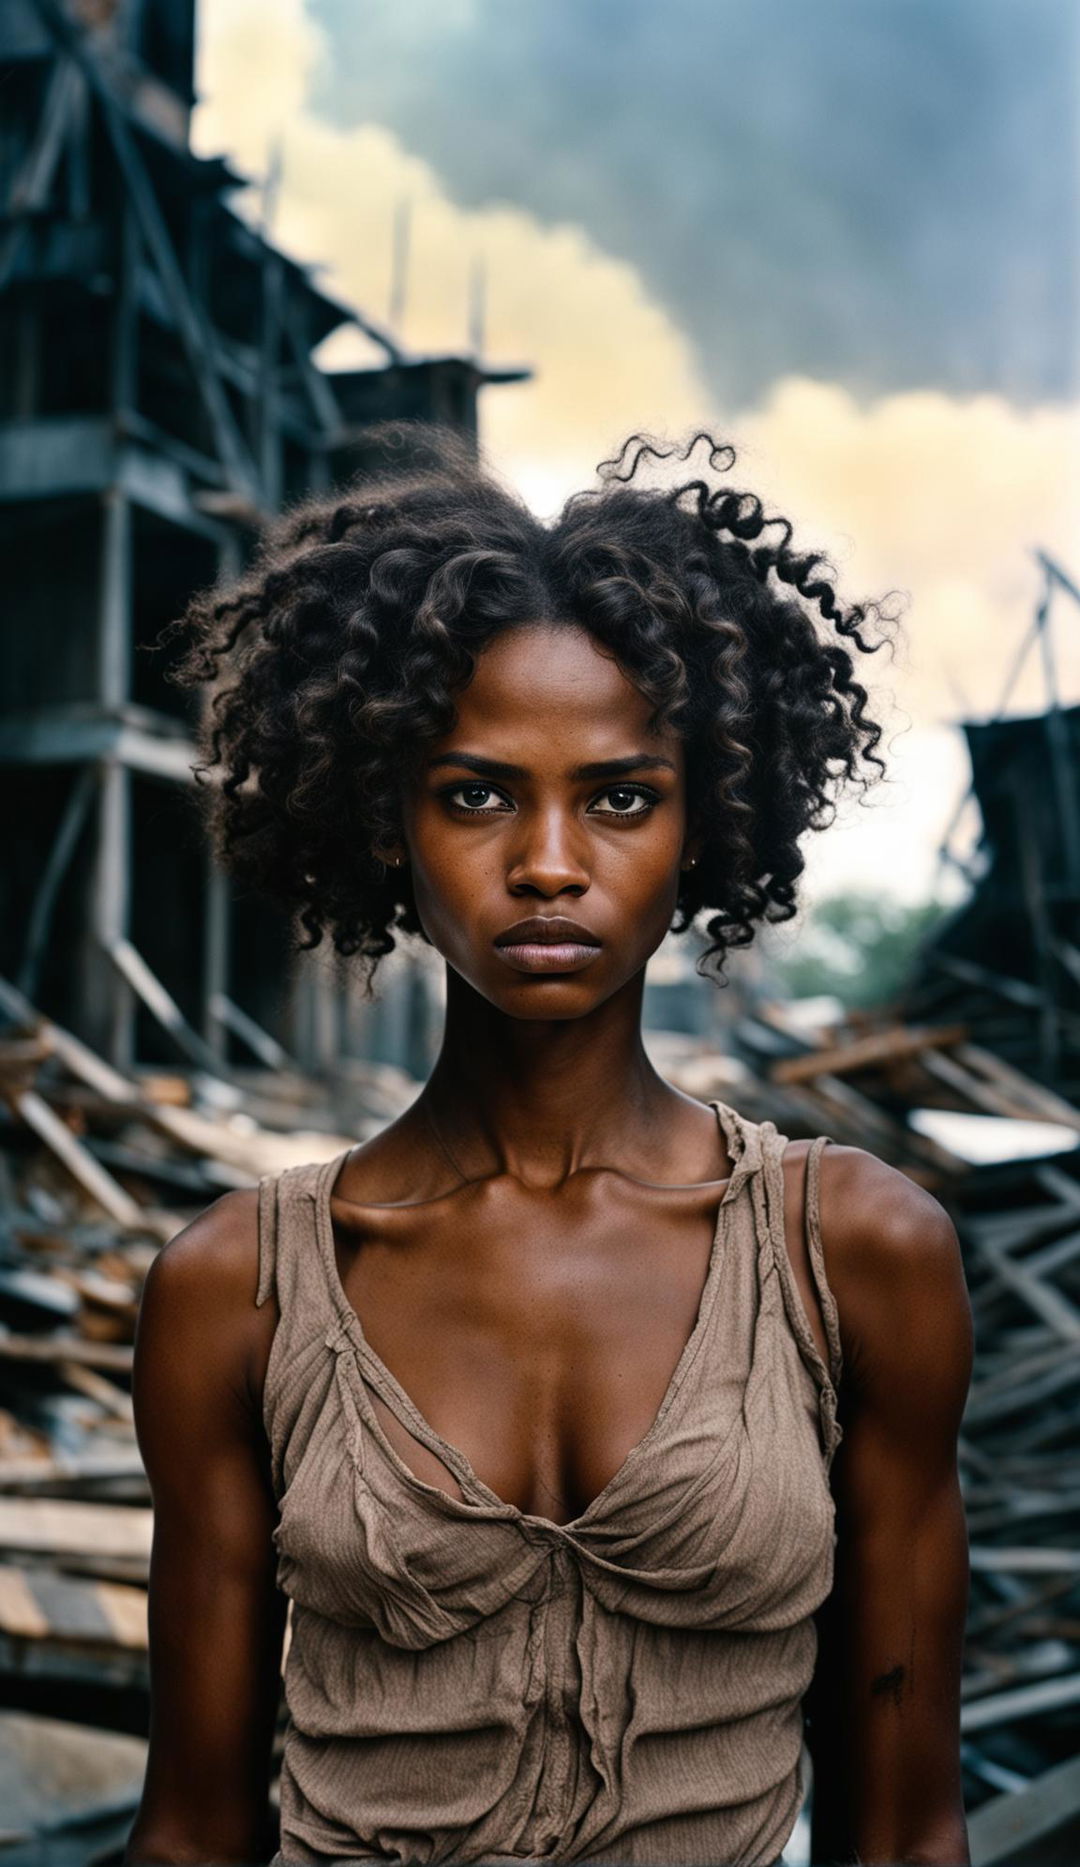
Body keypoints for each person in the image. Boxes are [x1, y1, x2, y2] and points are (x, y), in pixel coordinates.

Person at [125, 428, 973, 1867]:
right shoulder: (237, 1292)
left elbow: (901, 1834)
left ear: (706, 823)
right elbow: (194, 1837)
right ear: (382, 820)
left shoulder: (856, 1257)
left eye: (620, 795)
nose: (550, 861)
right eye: (475, 794)